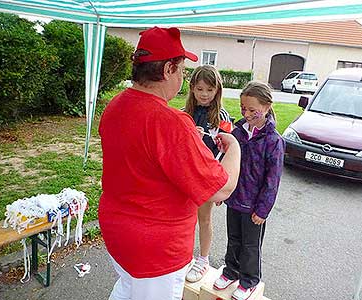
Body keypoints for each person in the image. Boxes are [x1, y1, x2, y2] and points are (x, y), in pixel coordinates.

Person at [98, 26, 241, 300]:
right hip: (155, 247)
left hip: (118, 232)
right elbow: (220, 189)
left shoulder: (115, 105)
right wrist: (234, 147)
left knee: (127, 287)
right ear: (167, 70)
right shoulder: (170, 122)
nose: (183, 77)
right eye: (182, 70)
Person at [213, 81, 285, 300]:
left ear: (266, 106)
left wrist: (263, 210)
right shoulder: (238, 132)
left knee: (250, 245)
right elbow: (227, 162)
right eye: (243, 108)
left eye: (252, 110)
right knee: (233, 238)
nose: (246, 113)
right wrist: (222, 190)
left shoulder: (274, 141)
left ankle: (249, 280)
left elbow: (272, 181)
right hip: (234, 200)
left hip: (254, 207)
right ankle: (230, 271)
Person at [183, 65, 232, 283]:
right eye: (200, 89)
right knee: (183, 218)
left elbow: (226, 151)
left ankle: (203, 259)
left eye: (210, 90)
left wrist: (219, 184)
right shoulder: (184, 115)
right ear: (192, 88)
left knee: (204, 218)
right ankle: (183, 257)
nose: (205, 94)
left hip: (206, 179)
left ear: (217, 90)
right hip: (184, 177)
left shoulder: (221, 117)